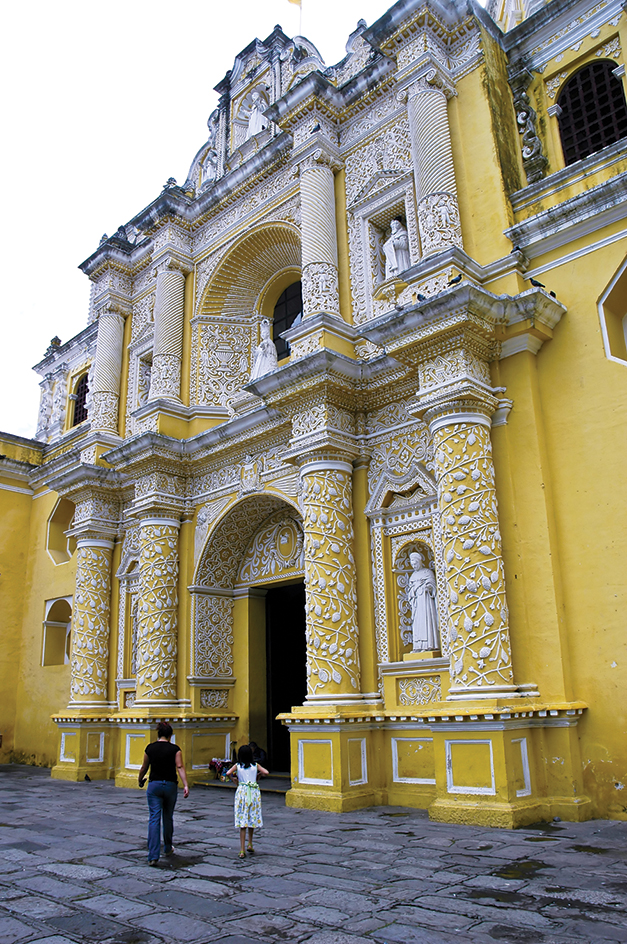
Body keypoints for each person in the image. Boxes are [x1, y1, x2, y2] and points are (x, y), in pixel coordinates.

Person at [137, 721, 189, 866]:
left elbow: (144, 767)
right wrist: (185, 785)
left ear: (158, 734)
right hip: (170, 785)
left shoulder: (150, 748)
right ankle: (167, 847)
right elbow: (179, 766)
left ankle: (153, 855)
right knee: (168, 817)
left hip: (154, 785)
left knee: (154, 818)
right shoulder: (175, 749)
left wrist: (140, 779)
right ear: (170, 735)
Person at [227, 744, 268, 858]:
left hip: (242, 791)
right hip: (253, 791)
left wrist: (234, 780)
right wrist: (258, 775)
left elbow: (228, 773)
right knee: (252, 817)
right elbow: (266, 772)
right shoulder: (255, 765)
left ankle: (242, 849)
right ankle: (250, 843)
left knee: (243, 820)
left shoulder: (238, 765)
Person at [407, 550, 439, 651]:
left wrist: (428, 587)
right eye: (412, 564)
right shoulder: (413, 576)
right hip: (417, 604)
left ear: (419, 561)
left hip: (426, 602)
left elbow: (432, 584)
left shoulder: (427, 572)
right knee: (417, 625)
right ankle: (418, 646)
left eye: (415, 563)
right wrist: (414, 590)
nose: (414, 566)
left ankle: (429, 645)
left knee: (427, 623)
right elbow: (410, 590)